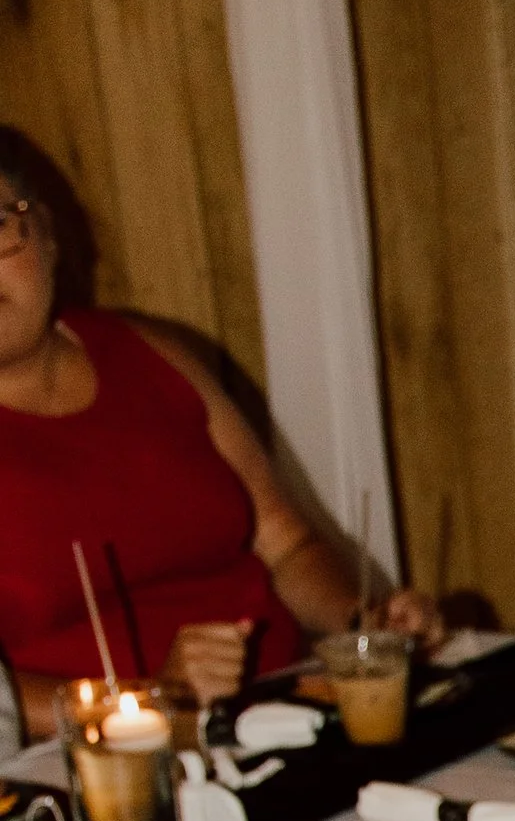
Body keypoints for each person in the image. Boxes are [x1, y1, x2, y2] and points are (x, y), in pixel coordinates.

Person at [0, 125, 436, 737]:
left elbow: (283, 542)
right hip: (103, 771)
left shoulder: (151, 353)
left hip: (290, 713)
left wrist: (365, 629)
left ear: (44, 232)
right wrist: (147, 701)